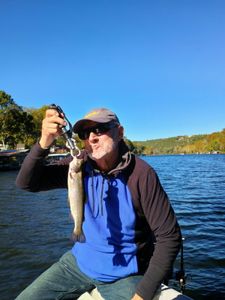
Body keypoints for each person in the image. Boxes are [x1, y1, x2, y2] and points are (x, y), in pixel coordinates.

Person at [16, 107, 181, 300]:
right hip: (77, 264)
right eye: (85, 133)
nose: (92, 138)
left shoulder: (142, 175)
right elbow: (26, 183)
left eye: (100, 130)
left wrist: (142, 295)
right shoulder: (77, 166)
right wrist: (44, 141)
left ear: (119, 132)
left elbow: (169, 237)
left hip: (123, 275)